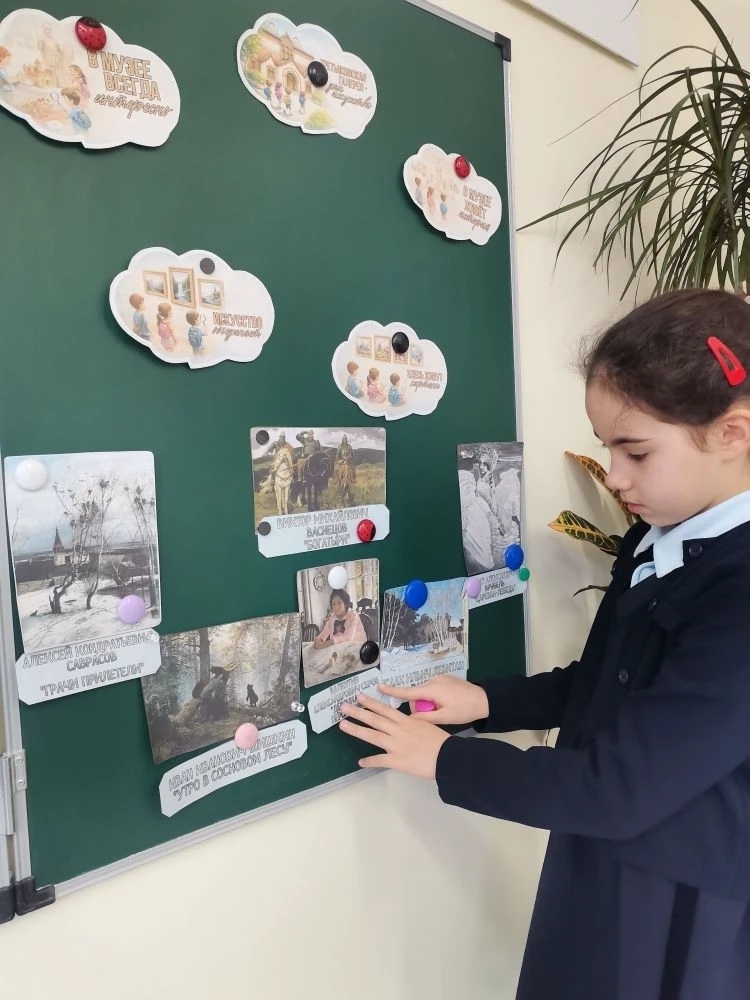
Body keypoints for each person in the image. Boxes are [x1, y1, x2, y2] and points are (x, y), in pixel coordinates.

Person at [339, 288, 750, 1000]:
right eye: (607, 448)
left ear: (733, 434)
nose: (615, 476)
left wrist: (445, 761)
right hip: (603, 855)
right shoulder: (657, 537)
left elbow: (620, 788)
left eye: (636, 451)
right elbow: (605, 680)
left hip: (682, 902)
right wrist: (486, 701)